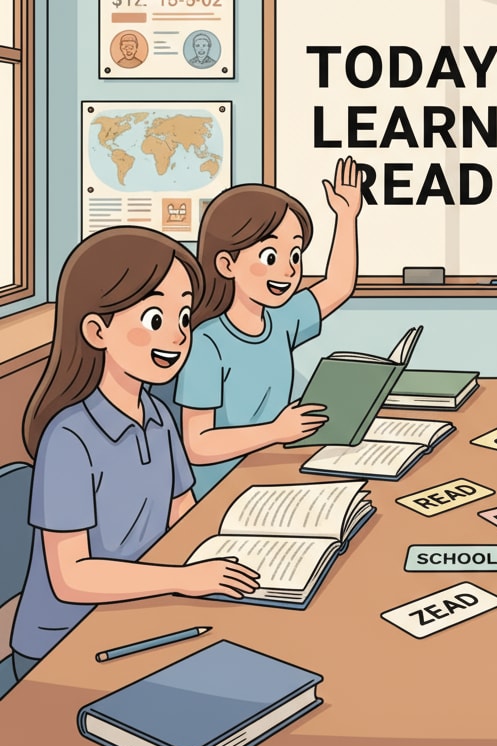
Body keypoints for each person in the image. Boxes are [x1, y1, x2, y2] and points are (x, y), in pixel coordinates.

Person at [9, 228, 260, 680]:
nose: (179, 336)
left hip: (141, 615)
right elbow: (72, 578)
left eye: (184, 317)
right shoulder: (69, 437)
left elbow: (184, 515)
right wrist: (183, 579)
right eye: (155, 320)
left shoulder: (160, 418)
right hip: (66, 645)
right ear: (97, 330)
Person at [176, 157, 362, 498]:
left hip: (271, 473)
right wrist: (276, 431)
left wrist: (346, 218)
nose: (290, 270)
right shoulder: (206, 344)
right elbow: (197, 445)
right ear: (227, 263)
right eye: (270, 257)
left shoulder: (281, 319)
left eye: (295, 254)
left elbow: (338, 286)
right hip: (219, 493)